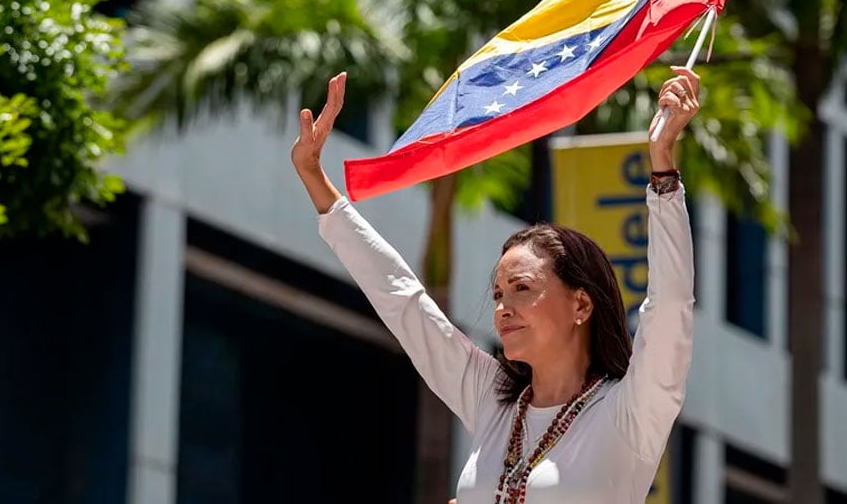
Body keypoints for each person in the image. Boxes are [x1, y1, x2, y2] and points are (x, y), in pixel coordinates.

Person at [291, 67, 699, 504]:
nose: (503, 308)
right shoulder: (494, 402)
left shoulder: (631, 411)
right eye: (500, 294)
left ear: (581, 304)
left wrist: (662, 167)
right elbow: (402, 300)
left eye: (522, 289)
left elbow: (670, 305)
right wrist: (315, 177)